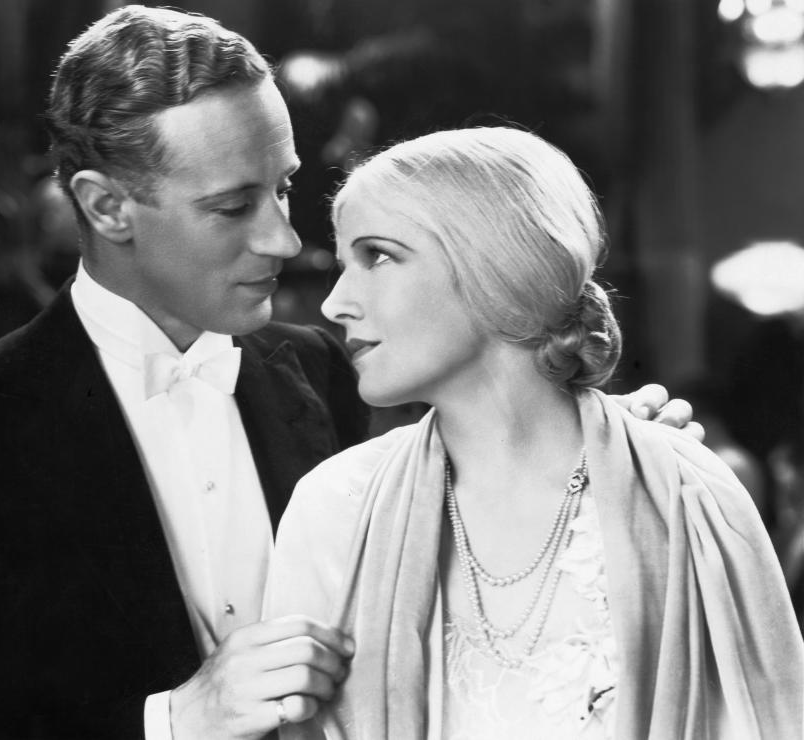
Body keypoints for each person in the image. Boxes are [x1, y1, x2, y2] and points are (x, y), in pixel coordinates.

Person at [0, 7, 695, 740]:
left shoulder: (337, 375)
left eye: (283, 189)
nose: (284, 241)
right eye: (232, 206)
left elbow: (494, 545)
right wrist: (173, 722)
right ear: (106, 206)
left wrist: (603, 460)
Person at [265, 126, 803, 739]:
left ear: (496, 264)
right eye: (343, 264)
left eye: (378, 256)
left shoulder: (689, 498)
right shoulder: (334, 509)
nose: (335, 303)